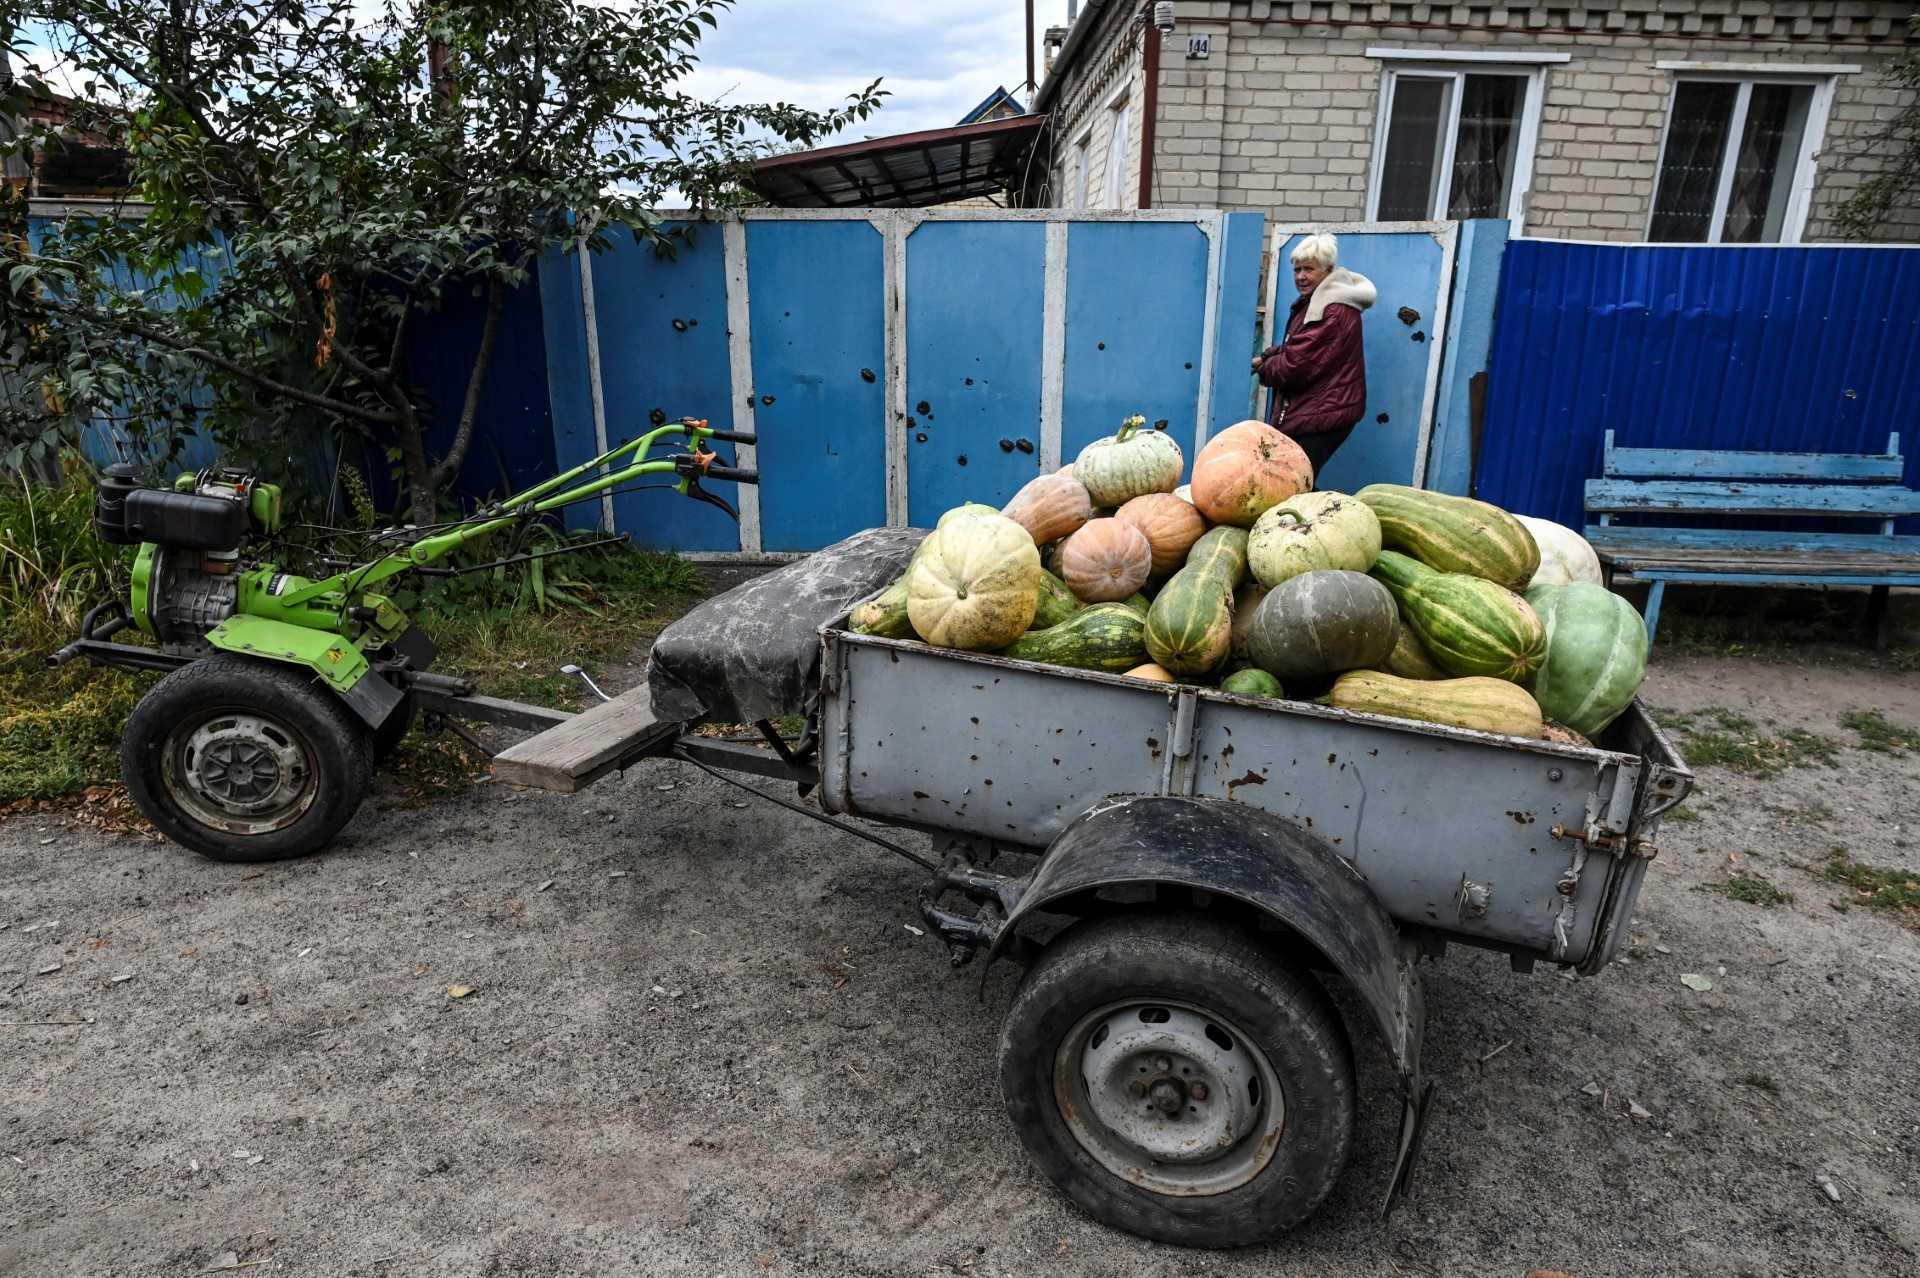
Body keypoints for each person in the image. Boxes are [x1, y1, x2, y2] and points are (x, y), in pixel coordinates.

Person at [1251, 233, 1376, 477]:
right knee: (1295, 479)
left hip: (1322, 414)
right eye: (1297, 270)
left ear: (1328, 270)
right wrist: (1269, 356)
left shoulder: (1332, 310)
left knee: (1292, 480)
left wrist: (1265, 367)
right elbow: (1299, 346)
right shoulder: (1316, 302)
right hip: (1321, 409)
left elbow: (1294, 366)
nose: (1301, 277)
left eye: (1309, 269)